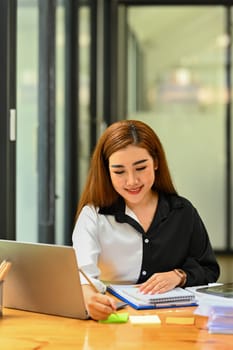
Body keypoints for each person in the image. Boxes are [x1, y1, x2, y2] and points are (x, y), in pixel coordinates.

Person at [72, 119, 220, 321]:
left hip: (172, 323)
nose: (132, 181)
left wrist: (179, 275)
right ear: (107, 172)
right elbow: (82, 275)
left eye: (141, 168)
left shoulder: (182, 211)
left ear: (156, 162)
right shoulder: (93, 216)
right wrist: (90, 300)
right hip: (115, 320)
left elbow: (209, 269)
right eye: (119, 171)